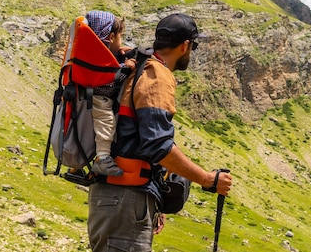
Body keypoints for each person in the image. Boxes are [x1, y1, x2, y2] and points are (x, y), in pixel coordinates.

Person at [87, 13, 232, 252]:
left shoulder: (137, 64)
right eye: (193, 46)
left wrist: (153, 196)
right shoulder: (157, 76)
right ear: (185, 46)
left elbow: (134, 135)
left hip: (118, 195)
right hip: (126, 199)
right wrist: (208, 179)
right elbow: (158, 146)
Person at [85, 10, 136, 176]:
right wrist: (127, 66)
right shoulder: (99, 59)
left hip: (86, 96)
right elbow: (115, 77)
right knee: (107, 123)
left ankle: (79, 165)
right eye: (120, 36)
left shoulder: (92, 52)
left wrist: (120, 55)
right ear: (111, 37)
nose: (121, 41)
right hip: (100, 98)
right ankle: (102, 158)